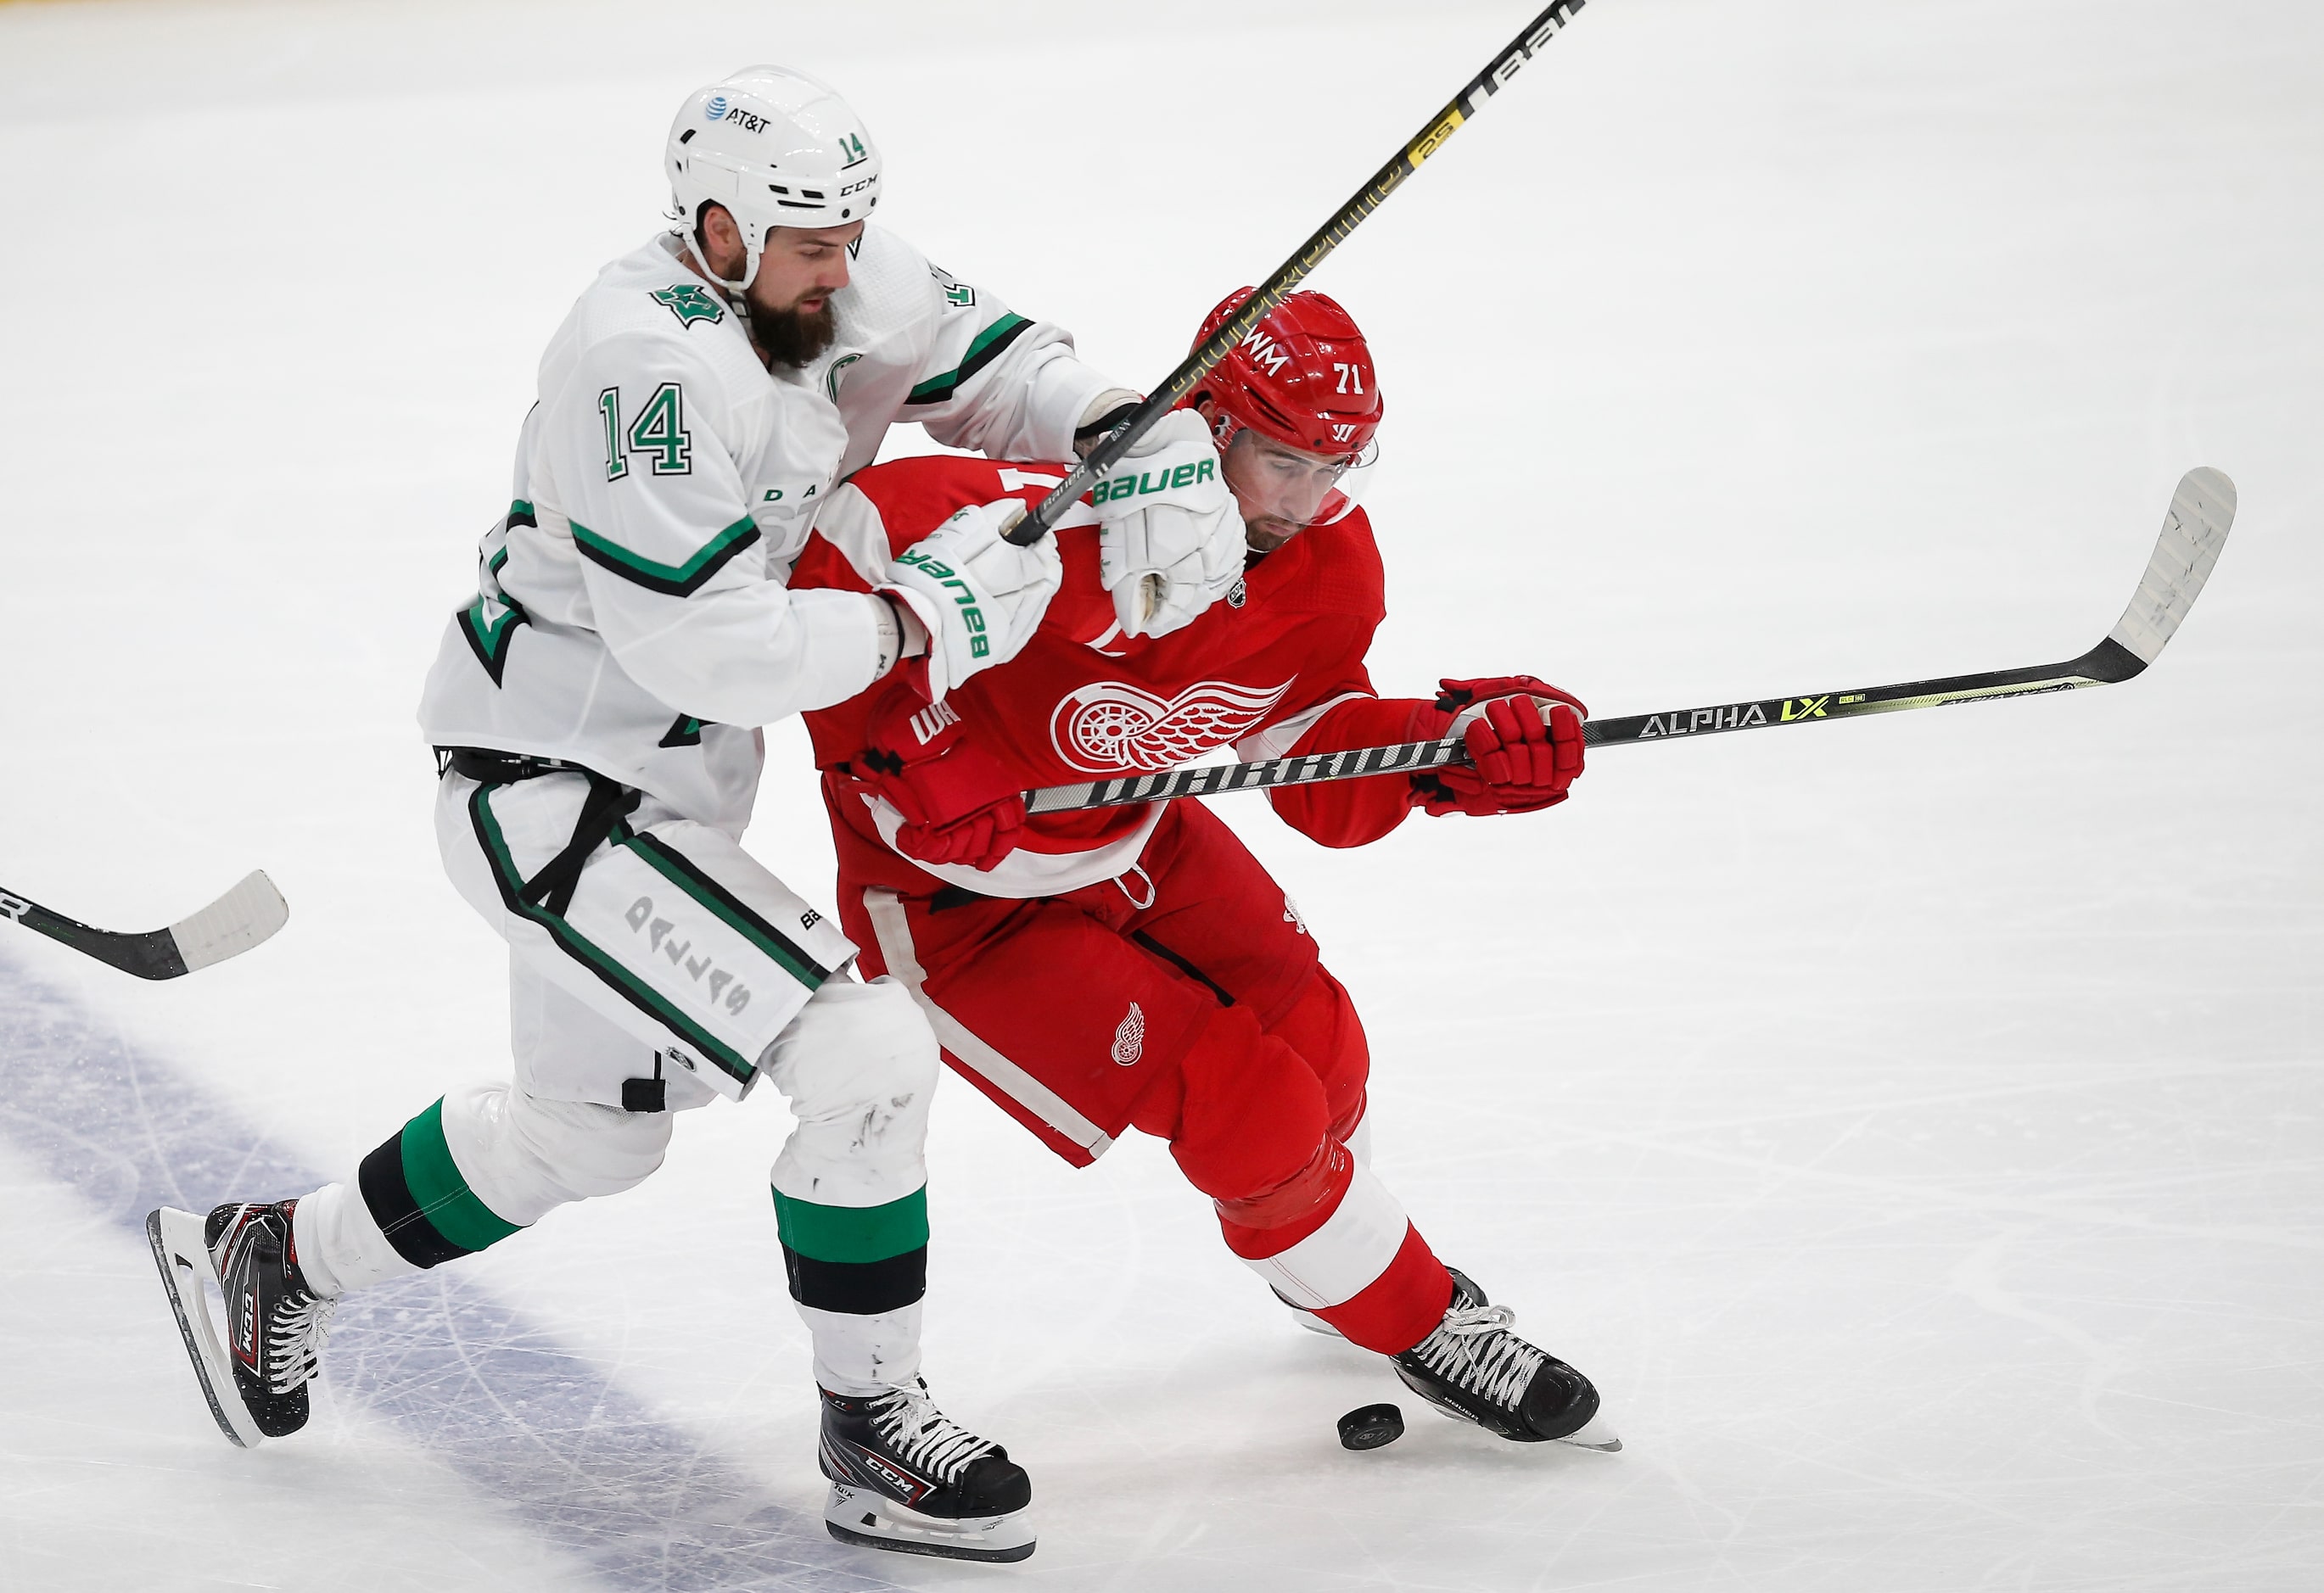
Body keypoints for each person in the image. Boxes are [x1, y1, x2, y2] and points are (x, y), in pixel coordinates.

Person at [143, 64, 1242, 1566]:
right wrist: (925, 624)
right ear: (715, 228)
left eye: (853, 237)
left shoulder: (839, 269)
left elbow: (999, 365)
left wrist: (1130, 425)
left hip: (663, 791)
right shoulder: (637, 367)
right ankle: (873, 1421)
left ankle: (278, 1257)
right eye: (809, 245)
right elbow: (698, 644)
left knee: (590, 1134)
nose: (842, 271)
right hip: (554, 802)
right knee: (864, 1055)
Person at [786, 288, 1620, 1452]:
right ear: (1209, 421)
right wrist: (899, 750)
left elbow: (1311, 767)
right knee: (1253, 1102)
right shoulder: (1060, 523)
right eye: (1284, 461)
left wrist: (1439, 752)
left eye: (1340, 468)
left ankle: (1327, 1258)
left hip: (1139, 837)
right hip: (963, 911)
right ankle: (1424, 1321)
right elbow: (842, 541)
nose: (1309, 503)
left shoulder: (1326, 563)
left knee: (1325, 1048)